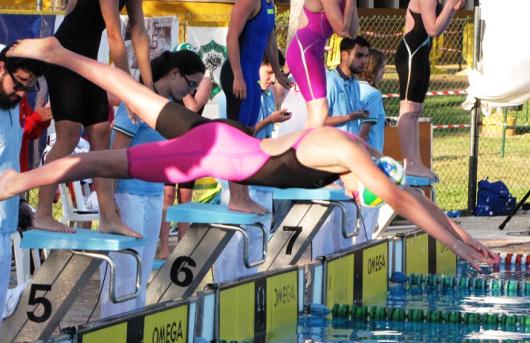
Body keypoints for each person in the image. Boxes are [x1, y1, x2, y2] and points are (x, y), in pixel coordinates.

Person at [1, 37, 499, 270]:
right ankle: (12, 184)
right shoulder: (341, 149)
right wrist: (457, 249)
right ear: (366, 173)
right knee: (95, 161)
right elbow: (403, 200)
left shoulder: (346, 152)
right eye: (366, 187)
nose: (360, 191)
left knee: (136, 94)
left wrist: (460, 234)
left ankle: (58, 53)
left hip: (219, 140)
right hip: (210, 157)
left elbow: (414, 200)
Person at [103, 49, 208, 316]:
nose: (190, 92)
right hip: (128, 197)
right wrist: (110, 204)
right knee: (125, 272)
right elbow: (115, 155)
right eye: (190, 84)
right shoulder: (137, 103)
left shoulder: (167, 110)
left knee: (141, 273)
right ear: (174, 73)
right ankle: (110, 331)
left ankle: (133, 326)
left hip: (152, 195)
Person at [34, 0, 152, 236]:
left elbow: (138, 30)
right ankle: (43, 214)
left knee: (101, 134)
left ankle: (107, 217)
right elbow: (114, 36)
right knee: (68, 135)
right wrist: (128, 90)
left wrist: (147, 85)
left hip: (86, 61)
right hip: (63, 57)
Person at [220, 0, 288, 214]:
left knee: (248, 136)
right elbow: (231, 37)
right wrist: (238, 76)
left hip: (250, 77)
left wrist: (277, 73)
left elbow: (269, 41)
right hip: (238, 73)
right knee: (236, 136)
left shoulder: (269, 5)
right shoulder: (249, 1)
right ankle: (236, 197)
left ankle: (244, 195)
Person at [0, 45, 45, 325]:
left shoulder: (11, 103)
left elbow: (9, 161)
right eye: (18, 85)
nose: (21, 94)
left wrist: (19, 204)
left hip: (4, 225)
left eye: (27, 89)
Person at [395, 0, 465, 180]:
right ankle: (409, 163)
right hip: (411, 54)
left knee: (416, 111)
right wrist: (449, 5)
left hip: (421, 55)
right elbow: (432, 29)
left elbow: (439, 28)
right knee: (408, 109)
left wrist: (452, 10)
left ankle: (416, 162)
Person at [159, 44, 214, 260]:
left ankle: (183, 247)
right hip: (170, 140)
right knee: (167, 194)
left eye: (193, 83)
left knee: (185, 196)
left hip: (190, 143)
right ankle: (164, 247)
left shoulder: (205, 81)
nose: (190, 87)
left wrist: (184, 88)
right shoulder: (170, 83)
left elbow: (192, 107)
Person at [286, 0, 358, 128]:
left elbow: (352, 33)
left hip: (316, 53)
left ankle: (304, 145)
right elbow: (341, 30)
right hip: (304, 51)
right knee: (319, 108)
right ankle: (301, 146)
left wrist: (351, 4)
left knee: (318, 112)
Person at [325, 36, 370, 135]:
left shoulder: (355, 83)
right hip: (331, 146)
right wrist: (349, 117)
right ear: (344, 55)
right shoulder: (330, 81)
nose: (364, 61)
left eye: (366, 56)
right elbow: (320, 120)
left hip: (350, 145)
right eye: (359, 55)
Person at [255, 52, 291, 139]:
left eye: (277, 74)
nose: (273, 80)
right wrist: (270, 120)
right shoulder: (237, 96)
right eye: (269, 72)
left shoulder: (268, 93)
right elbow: (241, 133)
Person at [358, 48, 387, 153]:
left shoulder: (351, 87)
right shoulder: (373, 95)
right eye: (382, 67)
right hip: (369, 156)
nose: (385, 70)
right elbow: (364, 133)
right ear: (373, 68)